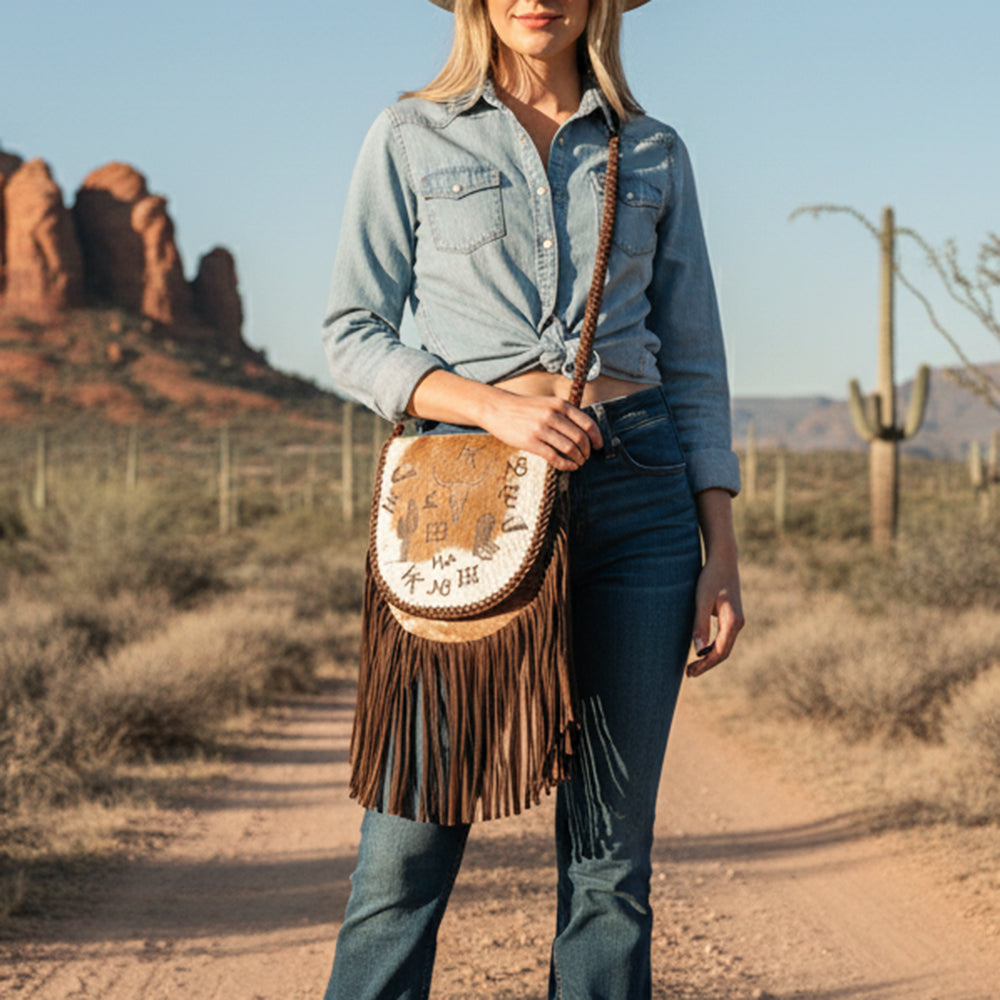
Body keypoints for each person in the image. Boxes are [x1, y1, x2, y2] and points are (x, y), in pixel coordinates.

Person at [320, 1, 744, 997]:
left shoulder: (651, 152)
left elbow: (694, 365)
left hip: (639, 498)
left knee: (610, 863)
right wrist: (490, 409)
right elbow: (350, 330)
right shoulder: (410, 134)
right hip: (468, 491)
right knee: (406, 847)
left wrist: (718, 550)